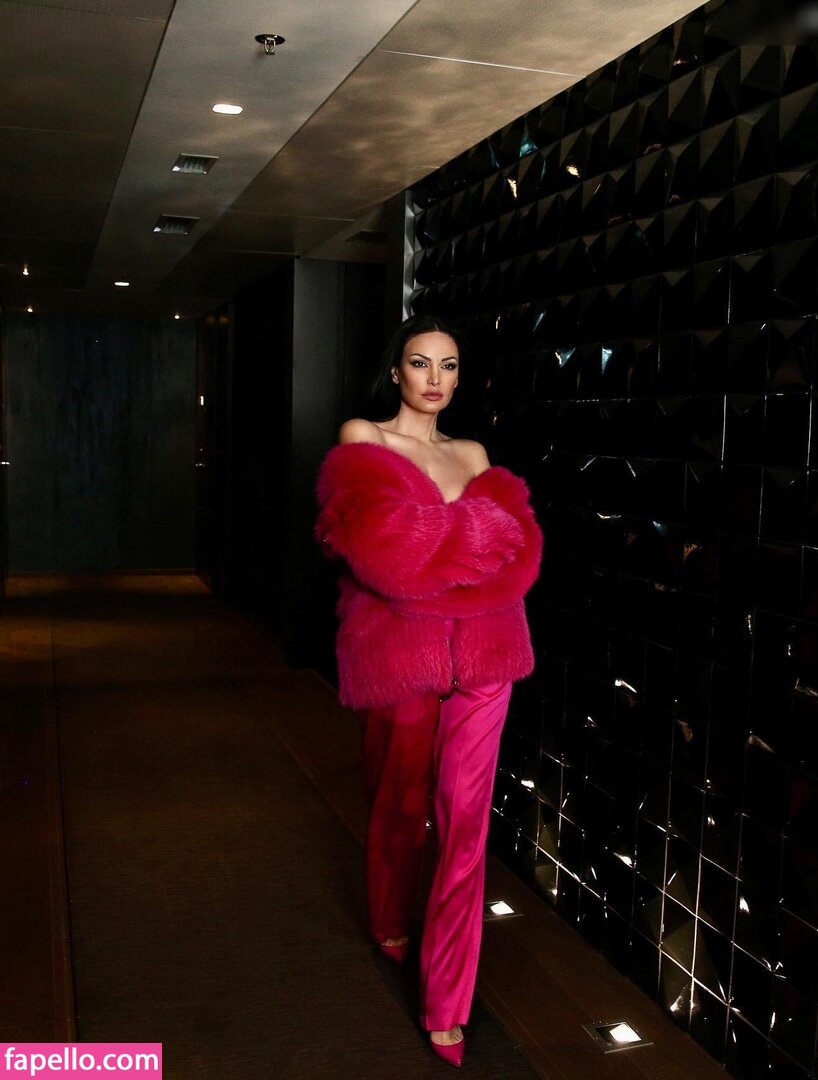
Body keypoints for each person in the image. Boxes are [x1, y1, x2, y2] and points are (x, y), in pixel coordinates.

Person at [315, 314, 542, 1067]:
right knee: (398, 800)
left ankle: (447, 1002)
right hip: (399, 659)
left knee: (464, 828)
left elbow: (520, 561)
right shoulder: (364, 438)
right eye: (420, 363)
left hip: (488, 658)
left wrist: (436, 552)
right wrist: (471, 543)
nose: (435, 379)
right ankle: (388, 915)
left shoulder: (471, 453)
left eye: (448, 365)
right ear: (396, 371)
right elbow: (384, 560)